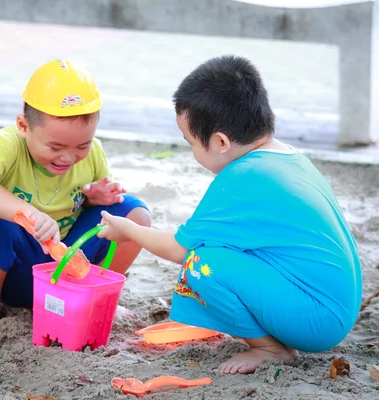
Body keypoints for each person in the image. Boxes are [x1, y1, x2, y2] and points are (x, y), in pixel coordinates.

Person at [97, 55, 362, 374]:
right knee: (216, 252)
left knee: (200, 265)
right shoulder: (288, 158)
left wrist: (127, 229)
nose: (192, 152)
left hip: (317, 318)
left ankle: (269, 349)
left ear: (220, 142)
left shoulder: (242, 177)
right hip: (337, 305)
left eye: (190, 142)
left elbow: (180, 250)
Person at [0, 59, 151, 332]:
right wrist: (27, 214)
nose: (69, 157)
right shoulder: (8, 143)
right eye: (55, 146)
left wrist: (95, 198)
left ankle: (99, 294)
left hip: (71, 266)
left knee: (133, 213)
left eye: (82, 145)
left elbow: (97, 209)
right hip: (16, 273)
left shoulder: (93, 153)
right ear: (24, 126)